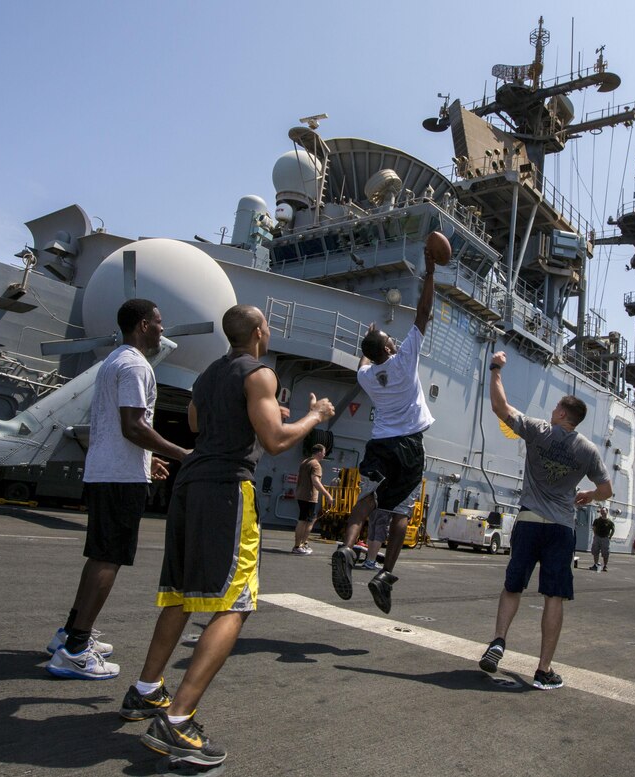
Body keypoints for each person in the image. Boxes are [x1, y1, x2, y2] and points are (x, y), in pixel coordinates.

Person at [123, 304, 334, 767]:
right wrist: (314, 415)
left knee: (180, 594)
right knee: (234, 604)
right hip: (225, 490)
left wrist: (253, 412)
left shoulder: (209, 373)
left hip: (190, 484)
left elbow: (198, 425)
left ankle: (146, 690)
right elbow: (277, 441)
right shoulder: (260, 374)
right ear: (259, 331)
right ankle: (178, 721)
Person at [46, 299, 190, 681]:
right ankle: (75, 650)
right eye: (159, 322)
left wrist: (149, 459)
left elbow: (117, 426)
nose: (163, 329)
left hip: (109, 470)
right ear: (143, 325)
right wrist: (180, 454)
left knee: (98, 556)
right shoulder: (135, 365)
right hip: (119, 478)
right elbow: (133, 426)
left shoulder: (114, 360)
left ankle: (72, 631)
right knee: (109, 559)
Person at [478, 350, 612, 690]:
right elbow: (607, 489)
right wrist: (588, 496)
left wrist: (496, 369)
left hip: (528, 521)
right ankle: (543, 669)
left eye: (556, 408)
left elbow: (500, 407)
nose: (552, 411)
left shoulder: (539, 430)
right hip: (561, 529)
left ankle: (498, 641)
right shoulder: (587, 450)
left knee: (513, 587)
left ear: (563, 412)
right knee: (554, 597)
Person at [330, 242, 438, 613]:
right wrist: (431, 273)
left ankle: (346, 548)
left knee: (366, 500)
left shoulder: (367, 376)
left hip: (379, 444)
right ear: (391, 348)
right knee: (400, 513)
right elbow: (423, 313)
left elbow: (364, 358)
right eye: (390, 341)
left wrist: (371, 337)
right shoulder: (404, 359)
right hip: (409, 445)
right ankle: (384, 575)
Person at [292, 443, 333, 554]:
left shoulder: (305, 462)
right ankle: (298, 546)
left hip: (301, 494)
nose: (324, 455)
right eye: (324, 452)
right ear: (319, 452)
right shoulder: (316, 465)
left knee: (308, 520)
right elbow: (315, 481)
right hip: (309, 496)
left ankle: (303, 543)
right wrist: (328, 495)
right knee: (304, 521)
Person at [589, 505, 615, 572]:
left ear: (607, 512)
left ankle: (605, 566)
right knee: (595, 551)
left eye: (604, 511)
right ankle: (595, 564)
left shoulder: (610, 522)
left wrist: (610, 537)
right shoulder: (597, 520)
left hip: (605, 538)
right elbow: (594, 527)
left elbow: (613, 530)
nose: (602, 512)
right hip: (597, 537)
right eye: (601, 511)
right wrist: (595, 535)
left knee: (606, 552)